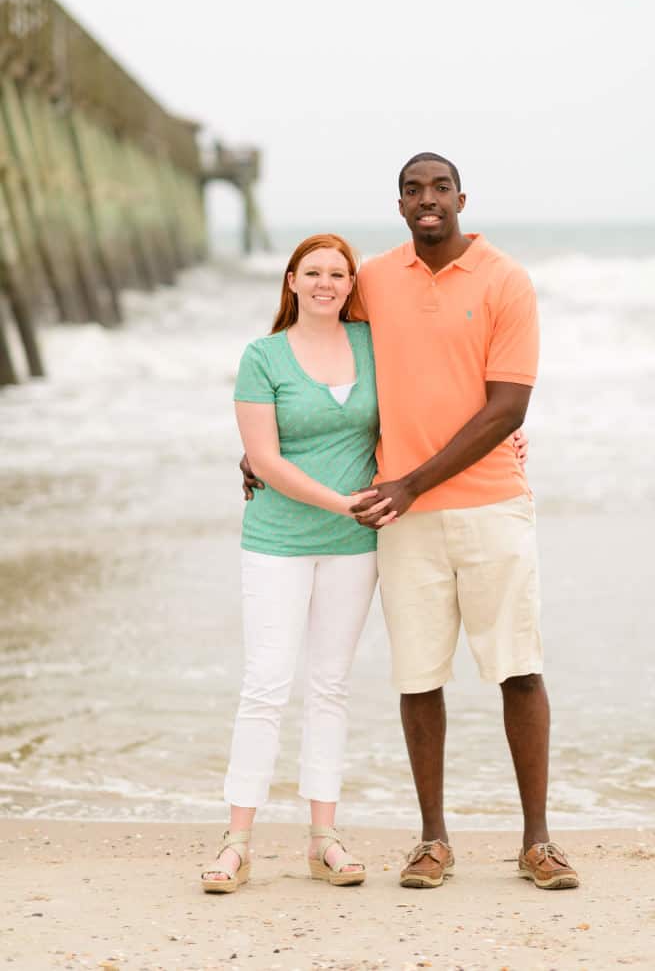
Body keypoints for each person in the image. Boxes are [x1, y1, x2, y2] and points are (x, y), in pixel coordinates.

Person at [242, 153, 576, 891]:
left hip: (489, 503)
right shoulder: (376, 282)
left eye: (440, 188)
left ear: (462, 198)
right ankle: (432, 841)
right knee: (418, 677)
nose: (428, 200)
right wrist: (261, 447)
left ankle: (537, 844)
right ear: (399, 206)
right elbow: (321, 359)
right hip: (403, 520)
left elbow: (507, 407)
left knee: (517, 669)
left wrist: (414, 479)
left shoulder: (505, 280)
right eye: (413, 190)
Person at [202, 233, 394, 893]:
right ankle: (237, 842)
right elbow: (264, 461)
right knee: (265, 685)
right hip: (278, 542)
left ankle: (324, 839)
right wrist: (344, 504)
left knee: (330, 687)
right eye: (312, 272)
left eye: (338, 274)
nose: (325, 283)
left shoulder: (373, 345)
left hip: (354, 549)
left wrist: (507, 432)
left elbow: (426, 403)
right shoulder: (263, 356)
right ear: (290, 281)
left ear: (350, 285)